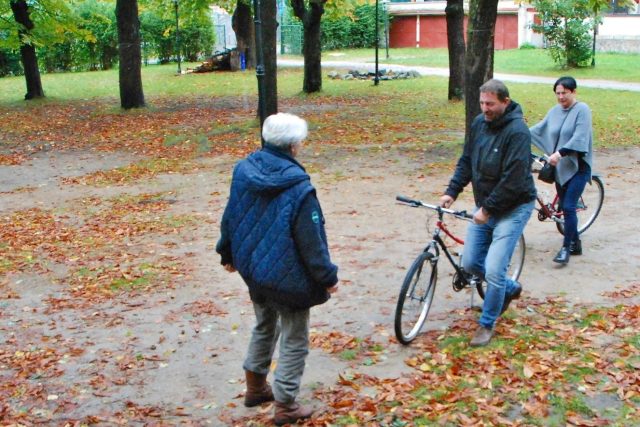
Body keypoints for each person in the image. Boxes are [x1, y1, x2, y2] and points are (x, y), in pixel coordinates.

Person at [216, 112, 339, 426]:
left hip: (254, 269)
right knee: (294, 337)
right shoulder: (300, 188)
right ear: (295, 145)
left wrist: (227, 252)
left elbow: (231, 214)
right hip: (288, 279)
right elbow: (312, 240)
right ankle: (285, 405)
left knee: (264, 325)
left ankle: (255, 388)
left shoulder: (244, 170)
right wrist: (327, 277)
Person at [440, 79, 537, 347]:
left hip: (514, 207)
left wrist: (487, 209)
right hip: (486, 205)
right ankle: (509, 288)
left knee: (494, 269)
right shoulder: (478, 124)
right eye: (482, 103)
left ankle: (486, 323)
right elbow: (467, 160)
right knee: (470, 264)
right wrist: (452, 191)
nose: (485, 108)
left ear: (505, 102)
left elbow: (514, 180)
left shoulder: (518, 132)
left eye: (490, 104)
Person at [530, 76, 594, 265]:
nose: (560, 97)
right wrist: (518, 136)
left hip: (578, 167)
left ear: (573, 92)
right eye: (557, 93)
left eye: (564, 93)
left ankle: (566, 248)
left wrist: (559, 153)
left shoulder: (582, 110)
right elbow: (539, 129)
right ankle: (577, 243)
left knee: (568, 207)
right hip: (560, 168)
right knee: (565, 205)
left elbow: (579, 138)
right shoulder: (554, 111)